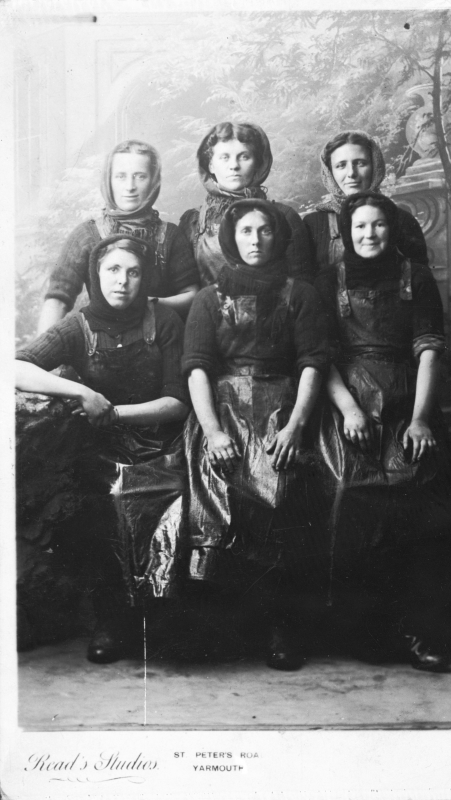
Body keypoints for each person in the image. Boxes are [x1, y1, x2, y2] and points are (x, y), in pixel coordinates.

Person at [16, 234, 190, 663]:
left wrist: (114, 412)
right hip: (101, 448)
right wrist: (79, 392)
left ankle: (160, 617)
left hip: (161, 442)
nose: (122, 281)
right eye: (113, 270)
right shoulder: (78, 324)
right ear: (96, 275)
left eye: (133, 272)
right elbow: (16, 366)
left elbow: (176, 401)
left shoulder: (163, 320)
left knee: (171, 499)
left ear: (144, 277)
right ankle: (113, 620)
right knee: (101, 504)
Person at [181, 198, 329, 670]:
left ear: (278, 237)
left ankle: (280, 626)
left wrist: (295, 424)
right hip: (221, 412)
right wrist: (212, 431)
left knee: (282, 494)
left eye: (264, 231)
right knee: (214, 496)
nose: (255, 241)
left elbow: (312, 362)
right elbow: (197, 369)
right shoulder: (209, 299)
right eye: (246, 232)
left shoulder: (300, 293)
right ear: (231, 239)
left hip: (281, 405)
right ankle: (223, 628)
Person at [314, 190, 448, 672]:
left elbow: (429, 349)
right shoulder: (328, 279)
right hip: (346, 399)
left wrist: (420, 418)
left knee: (415, 495)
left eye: (379, 226)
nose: (369, 235)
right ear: (347, 234)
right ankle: (359, 628)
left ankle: (415, 628)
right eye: (359, 227)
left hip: (406, 396)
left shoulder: (418, 277)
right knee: (347, 492)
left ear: (392, 229)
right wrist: (349, 410)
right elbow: (320, 356)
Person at [38, 140, 200, 333]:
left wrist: (149, 303)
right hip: (104, 345)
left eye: (140, 176)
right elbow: (57, 300)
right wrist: (40, 357)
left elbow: (192, 295)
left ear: (153, 182)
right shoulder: (87, 236)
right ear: (109, 180)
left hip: (160, 345)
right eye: (121, 176)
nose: (130, 186)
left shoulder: (169, 235)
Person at [179, 121, 314, 287]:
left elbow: (301, 288)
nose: (234, 166)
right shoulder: (192, 222)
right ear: (211, 165)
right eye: (224, 157)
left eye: (244, 157)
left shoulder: (284, 216)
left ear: (257, 163)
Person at [304, 130, 429, 277]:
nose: (351, 173)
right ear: (330, 172)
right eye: (341, 165)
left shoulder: (402, 220)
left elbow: (420, 282)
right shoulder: (314, 224)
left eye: (361, 163)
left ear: (375, 166)